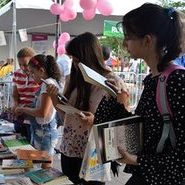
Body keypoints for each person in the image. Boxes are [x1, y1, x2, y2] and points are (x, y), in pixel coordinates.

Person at [104, 4, 185, 185]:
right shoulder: (155, 78)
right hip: (148, 176)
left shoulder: (176, 81)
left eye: (128, 37)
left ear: (147, 40)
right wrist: (114, 99)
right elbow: (146, 128)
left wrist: (137, 160)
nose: (124, 43)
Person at [46, 32, 129, 184]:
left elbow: (121, 124)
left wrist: (95, 120)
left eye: (77, 58)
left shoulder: (113, 82)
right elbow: (66, 116)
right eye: (72, 58)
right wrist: (53, 97)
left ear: (89, 56)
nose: (74, 63)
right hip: (69, 148)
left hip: (94, 152)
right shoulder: (73, 78)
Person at [15, 54, 61, 168]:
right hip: (41, 130)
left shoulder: (48, 84)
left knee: (45, 167)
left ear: (41, 70)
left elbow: (42, 113)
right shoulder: (46, 84)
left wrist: (23, 109)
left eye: (32, 73)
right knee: (40, 163)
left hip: (46, 132)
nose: (31, 76)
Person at [11, 47, 40, 142]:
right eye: (20, 64)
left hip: (34, 118)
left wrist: (25, 109)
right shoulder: (17, 73)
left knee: (32, 147)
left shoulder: (38, 76)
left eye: (25, 65)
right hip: (20, 117)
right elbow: (15, 93)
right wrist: (15, 104)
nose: (22, 68)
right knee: (19, 145)